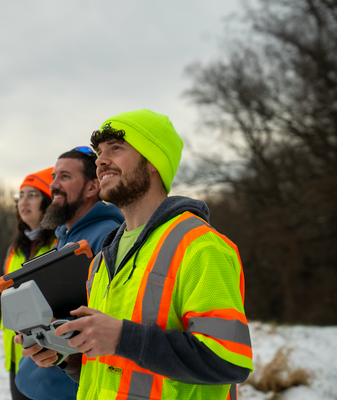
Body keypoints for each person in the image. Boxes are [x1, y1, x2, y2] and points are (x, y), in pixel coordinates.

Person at [30, 110, 254, 400]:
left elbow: (229, 361)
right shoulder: (102, 261)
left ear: (153, 162)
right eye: (100, 152)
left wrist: (123, 337)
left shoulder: (201, 246)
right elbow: (109, 367)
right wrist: (64, 357)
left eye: (116, 148)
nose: (101, 160)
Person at [15, 147, 124, 400]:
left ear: (92, 187)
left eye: (65, 177)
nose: (53, 185)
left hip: (69, 390)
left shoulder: (108, 236)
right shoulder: (64, 238)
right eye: (54, 177)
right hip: (36, 383)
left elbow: (107, 318)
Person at [2, 167, 58, 400]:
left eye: (32, 195)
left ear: (47, 201)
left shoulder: (58, 244)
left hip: (50, 358)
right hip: (17, 357)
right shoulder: (14, 250)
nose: (23, 201)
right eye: (20, 196)